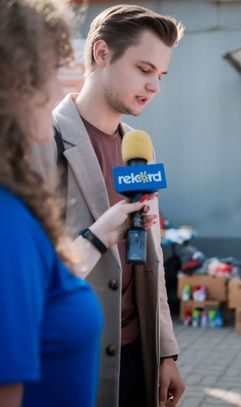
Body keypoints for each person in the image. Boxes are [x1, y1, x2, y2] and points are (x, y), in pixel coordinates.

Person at [0, 1, 156, 406]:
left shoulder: (138, 146)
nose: (57, 92)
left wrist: (102, 233)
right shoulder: (9, 218)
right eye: (48, 73)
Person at [33, 4, 186, 407]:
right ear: (101, 53)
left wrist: (166, 352)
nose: (154, 86)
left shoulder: (140, 148)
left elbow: (152, 258)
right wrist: (99, 234)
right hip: (71, 359)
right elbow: (29, 277)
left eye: (161, 75)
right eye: (144, 69)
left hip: (139, 357)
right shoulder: (41, 142)